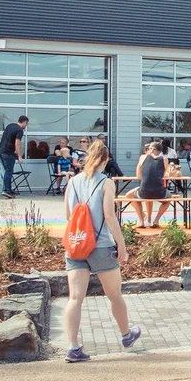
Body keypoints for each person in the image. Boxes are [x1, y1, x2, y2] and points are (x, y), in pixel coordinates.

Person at [62, 141, 142, 363]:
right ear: (105, 160)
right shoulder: (106, 183)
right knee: (114, 294)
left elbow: (68, 215)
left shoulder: (73, 182)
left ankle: (73, 347)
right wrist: (122, 245)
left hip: (76, 245)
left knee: (75, 298)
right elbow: (109, 215)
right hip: (101, 246)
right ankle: (126, 335)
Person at [134, 141, 167, 228]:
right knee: (170, 199)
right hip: (159, 192)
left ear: (152, 149)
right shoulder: (164, 159)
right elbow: (165, 175)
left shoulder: (143, 157)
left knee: (129, 196)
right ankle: (155, 220)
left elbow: (138, 176)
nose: (147, 150)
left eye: (148, 148)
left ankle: (142, 219)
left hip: (144, 191)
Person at [0, 115, 27, 198]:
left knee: (7, 171)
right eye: (26, 124)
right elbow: (17, 143)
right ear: (24, 122)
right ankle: (6, 190)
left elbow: (6, 138)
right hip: (8, 153)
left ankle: (9, 189)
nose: (26, 126)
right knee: (9, 171)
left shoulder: (10, 126)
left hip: (1, 151)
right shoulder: (19, 130)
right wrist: (19, 156)